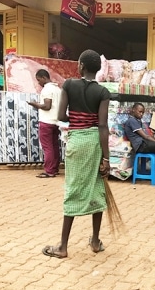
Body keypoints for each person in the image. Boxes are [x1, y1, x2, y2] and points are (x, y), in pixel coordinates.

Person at [42, 49, 111, 259]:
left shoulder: (69, 85)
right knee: (98, 187)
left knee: (73, 188)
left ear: (80, 65)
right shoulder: (102, 92)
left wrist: (74, 115)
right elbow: (102, 125)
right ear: (98, 70)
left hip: (77, 141)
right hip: (94, 143)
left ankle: (63, 246)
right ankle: (96, 241)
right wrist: (106, 158)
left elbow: (62, 115)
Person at [28, 69, 62, 178]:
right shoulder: (58, 89)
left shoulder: (47, 90)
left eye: (39, 80)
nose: (39, 83)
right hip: (56, 122)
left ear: (44, 78)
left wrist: (35, 104)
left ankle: (49, 171)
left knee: (48, 147)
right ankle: (55, 168)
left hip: (46, 122)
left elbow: (47, 106)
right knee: (54, 146)